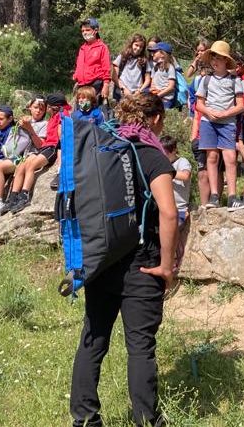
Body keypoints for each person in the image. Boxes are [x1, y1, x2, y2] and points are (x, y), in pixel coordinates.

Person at [69, 93, 178, 427]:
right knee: (140, 346)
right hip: (143, 265)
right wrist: (167, 267)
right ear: (156, 119)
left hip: (102, 260)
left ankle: (85, 418)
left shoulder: (104, 149)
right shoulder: (151, 155)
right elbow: (169, 213)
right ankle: (147, 421)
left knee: (94, 338)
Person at [195, 41, 244, 209]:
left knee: (230, 158)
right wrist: (208, 112)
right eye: (213, 57)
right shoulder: (206, 80)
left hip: (228, 123)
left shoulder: (235, 80)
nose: (215, 61)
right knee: (212, 157)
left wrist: (225, 113)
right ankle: (214, 196)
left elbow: (241, 106)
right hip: (208, 122)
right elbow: (199, 104)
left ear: (226, 61)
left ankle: (232, 196)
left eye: (219, 58)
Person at [1, 93, 71, 215]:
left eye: (47, 107)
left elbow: (61, 131)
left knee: (31, 166)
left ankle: (24, 195)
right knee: (22, 166)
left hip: (52, 148)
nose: (45, 110)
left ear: (52, 107)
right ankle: (13, 197)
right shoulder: (54, 117)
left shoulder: (61, 114)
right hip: (45, 147)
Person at [160, 135, 192, 274]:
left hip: (179, 209)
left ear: (173, 150)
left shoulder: (182, 162)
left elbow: (185, 176)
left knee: (172, 232)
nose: (163, 155)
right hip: (163, 209)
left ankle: (175, 263)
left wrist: (168, 172)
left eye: (165, 152)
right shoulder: (161, 164)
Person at [73, 18, 111, 104]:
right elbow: (80, 65)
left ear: (95, 30)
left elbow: (106, 68)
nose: (84, 33)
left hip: (95, 85)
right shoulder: (82, 48)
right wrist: (76, 75)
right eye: (82, 31)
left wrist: (106, 85)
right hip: (81, 85)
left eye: (87, 30)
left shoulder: (102, 47)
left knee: (94, 112)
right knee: (81, 111)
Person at [113, 33, 150, 100]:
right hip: (122, 92)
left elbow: (147, 79)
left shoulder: (144, 61)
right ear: (131, 44)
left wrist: (140, 90)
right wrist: (123, 88)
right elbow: (114, 75)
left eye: (141, 47)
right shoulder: (123, 57)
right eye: (136, 45)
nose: (138, 48)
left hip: (137, 94)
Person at [149, 42, 178, 109]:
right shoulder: (155, 67)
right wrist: (152, 90)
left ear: (162, 54)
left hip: (165, 100)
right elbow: (152, 83)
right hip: (156, 98)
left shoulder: (170, 67)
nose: (152, 54)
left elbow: (171, 87)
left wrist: (158, 95)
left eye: (155, 51)